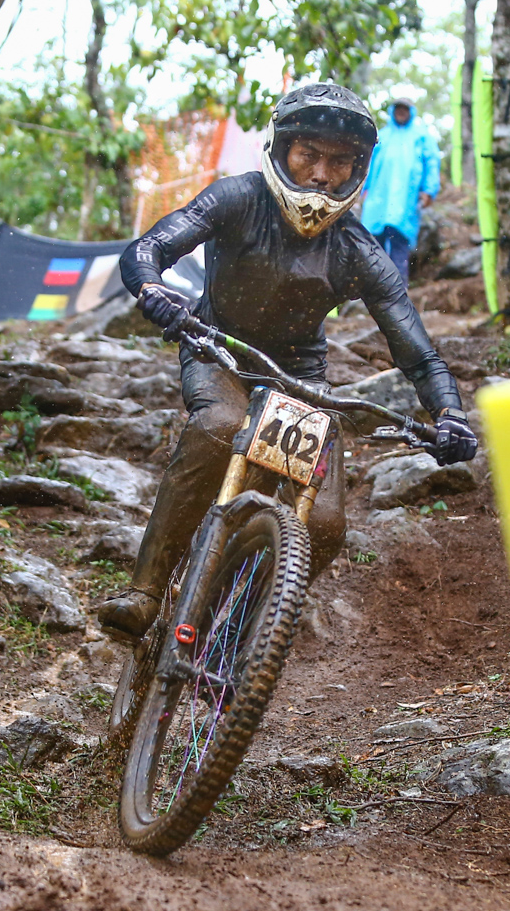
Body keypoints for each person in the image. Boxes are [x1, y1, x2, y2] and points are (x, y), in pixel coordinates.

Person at [96, 82, 477, 639]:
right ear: (281, 151)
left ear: (357, 170)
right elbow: (148, 247)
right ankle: (146, 591)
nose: (323, 175)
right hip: (218, 347)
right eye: (309, 156)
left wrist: (449, 413)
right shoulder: (237, 197)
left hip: (301, 377)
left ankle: (238, 637)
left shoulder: (357, 249)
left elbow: (416, 350)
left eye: (341, 161)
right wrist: (152, 288)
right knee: (221, 425)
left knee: (323, 523)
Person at [359, 87, 443, 285]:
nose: (401, 112)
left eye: (405, 109)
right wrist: (364, 189)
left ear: (411, 112)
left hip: (405, 199)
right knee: (373, 247)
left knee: (398, 246)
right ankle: (372, 292)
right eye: (398, 108)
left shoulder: (421, 137)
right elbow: (369, 164)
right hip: (378, 200)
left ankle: (398, 293)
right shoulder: (383, 136)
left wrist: (429, 191)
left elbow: (431, 164)